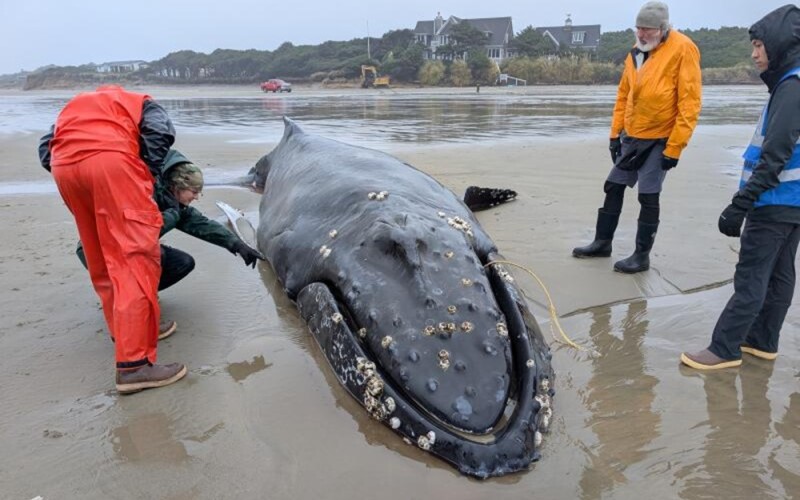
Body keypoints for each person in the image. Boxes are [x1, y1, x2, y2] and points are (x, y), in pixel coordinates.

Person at [38, 84, 186, 394]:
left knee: (101, 257)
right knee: (135, 259)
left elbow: (45, 148)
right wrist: (143, 172)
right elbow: (161, 134)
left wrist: (74, 170)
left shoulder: (77, 105)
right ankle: (134, 366)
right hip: (111, 164)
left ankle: (127, 332)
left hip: (65, 168)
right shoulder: (142, 103)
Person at [681, 5, 800, 370]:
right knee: (780, 274)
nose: (754, 54)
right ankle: (762, 341)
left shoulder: (791, 86)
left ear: (778, 46)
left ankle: (724, 348)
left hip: (774, 200)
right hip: (793, 203)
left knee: (752, 274)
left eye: (759, 46)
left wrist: (741, 203)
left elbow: (775, 152)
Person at [572, 1, 702, 273]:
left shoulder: (683, 49)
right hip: (632, 136)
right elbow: (623, 95)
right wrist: (614, 134)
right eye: (638, 28)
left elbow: (690, 103)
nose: (642, 35)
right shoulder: (635, 53)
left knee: (648, 195)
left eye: (648, 30)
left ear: (663, 29)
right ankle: (602, 242)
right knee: (613, 186)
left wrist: (674, 149)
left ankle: (642, 256)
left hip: (661, 138)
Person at [76, 149, 264, 296]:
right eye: (193, 191)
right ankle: (132, 300)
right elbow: (140, 235)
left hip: (121, 249)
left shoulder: (170, 200)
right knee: (154, 258)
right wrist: (172, 215)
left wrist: (236, 244)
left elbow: (201, 224)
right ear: (177, 186)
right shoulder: (144, 194)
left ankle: (138, 293)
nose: (197, 197)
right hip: (99, 250)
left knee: (181, 262)